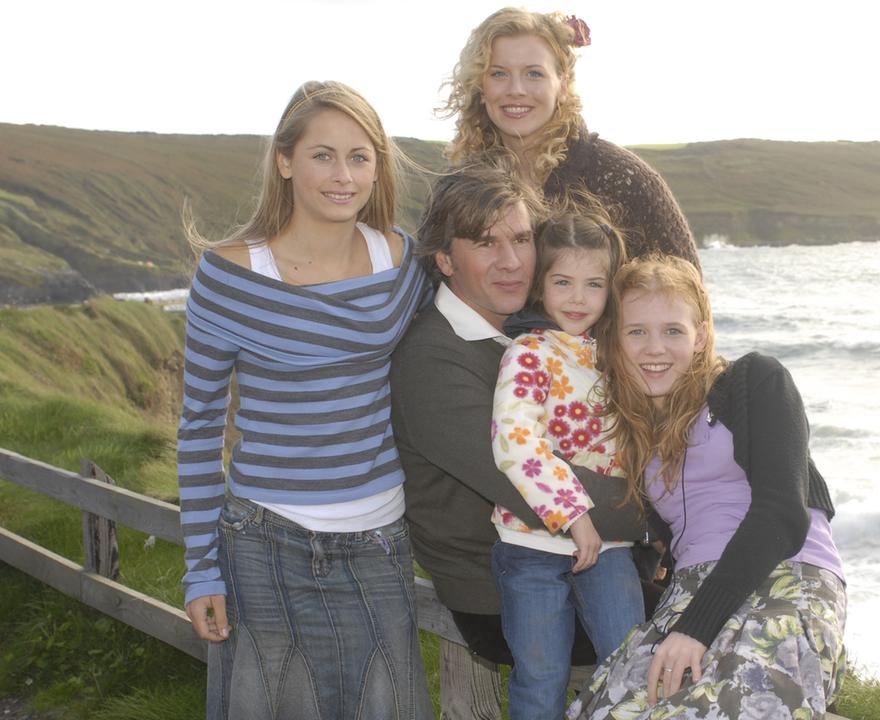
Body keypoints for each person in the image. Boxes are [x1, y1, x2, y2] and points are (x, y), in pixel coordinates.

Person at [177, 81, 431, 719]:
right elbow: (200, 427)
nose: (343, 176)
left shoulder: (401, 260)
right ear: (285, 161)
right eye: (323, 155)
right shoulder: (228, 276)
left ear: (377, 167)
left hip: (379, 539)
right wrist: (201, 569)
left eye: (359, 157)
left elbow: (452, 349)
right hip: (262, 541)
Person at [389, 164, 645, 719]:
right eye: (486, 243)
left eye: (522, 239)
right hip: (501, 584)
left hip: (575, 555)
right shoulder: (433, 359)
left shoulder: (539, 333)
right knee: (684, 632)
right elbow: (519, 479)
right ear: (445, 259)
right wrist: (664, 515)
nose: (511, 261)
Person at [568, 255, 848, 718]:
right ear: (615, 339)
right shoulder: (631, 426)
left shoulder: (753, 380)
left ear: (699, 336)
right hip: (692, 588)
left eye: (672, 330)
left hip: (789, 573)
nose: (654, 348)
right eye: (637, 331)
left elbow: (783, 513)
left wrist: (695, 628)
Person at [489, 208, 643, 718]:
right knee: (541, 677)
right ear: (540, 285)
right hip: (530, 541)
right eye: (563, 282)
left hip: (611, 545)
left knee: (628, 665)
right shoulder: (528, 353)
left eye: (593, 284)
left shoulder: (617, 356)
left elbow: (636, 442)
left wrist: (660, 524)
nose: (578, 298)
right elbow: (516, 440)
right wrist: (574, 514)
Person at [441, 7, 701, 271]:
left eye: (534, 73)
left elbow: (687, 287)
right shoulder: (460, 185)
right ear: (480, 88)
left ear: (563, 86)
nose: (516, 90)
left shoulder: (622, 178)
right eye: (498, 73)